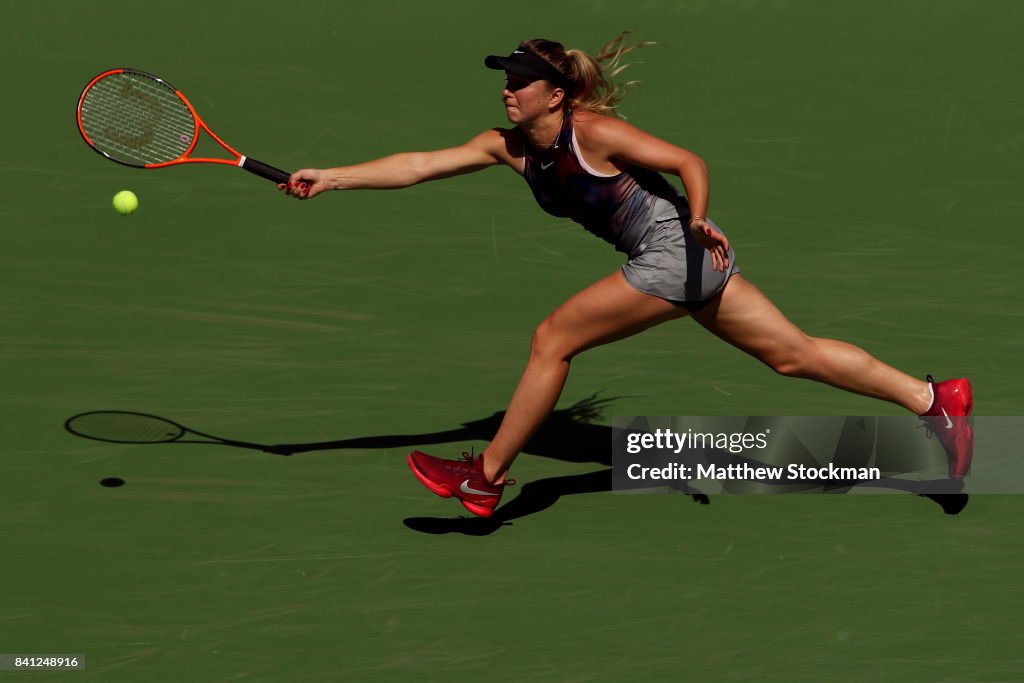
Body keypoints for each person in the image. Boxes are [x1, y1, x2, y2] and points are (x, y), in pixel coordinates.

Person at [280, 35, 973, 518]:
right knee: (793, 355)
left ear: (555, 94)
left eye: (518, 81)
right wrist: (332, 177)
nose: (507, 91)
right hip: (684, 263)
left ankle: (485, 478)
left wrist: (699, 218)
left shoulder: (596, 131)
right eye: (505, 79)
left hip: (677, 252)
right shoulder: (509, 147)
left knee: (553, 338)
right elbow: (418, 164)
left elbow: (688, 161)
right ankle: (934, 397)